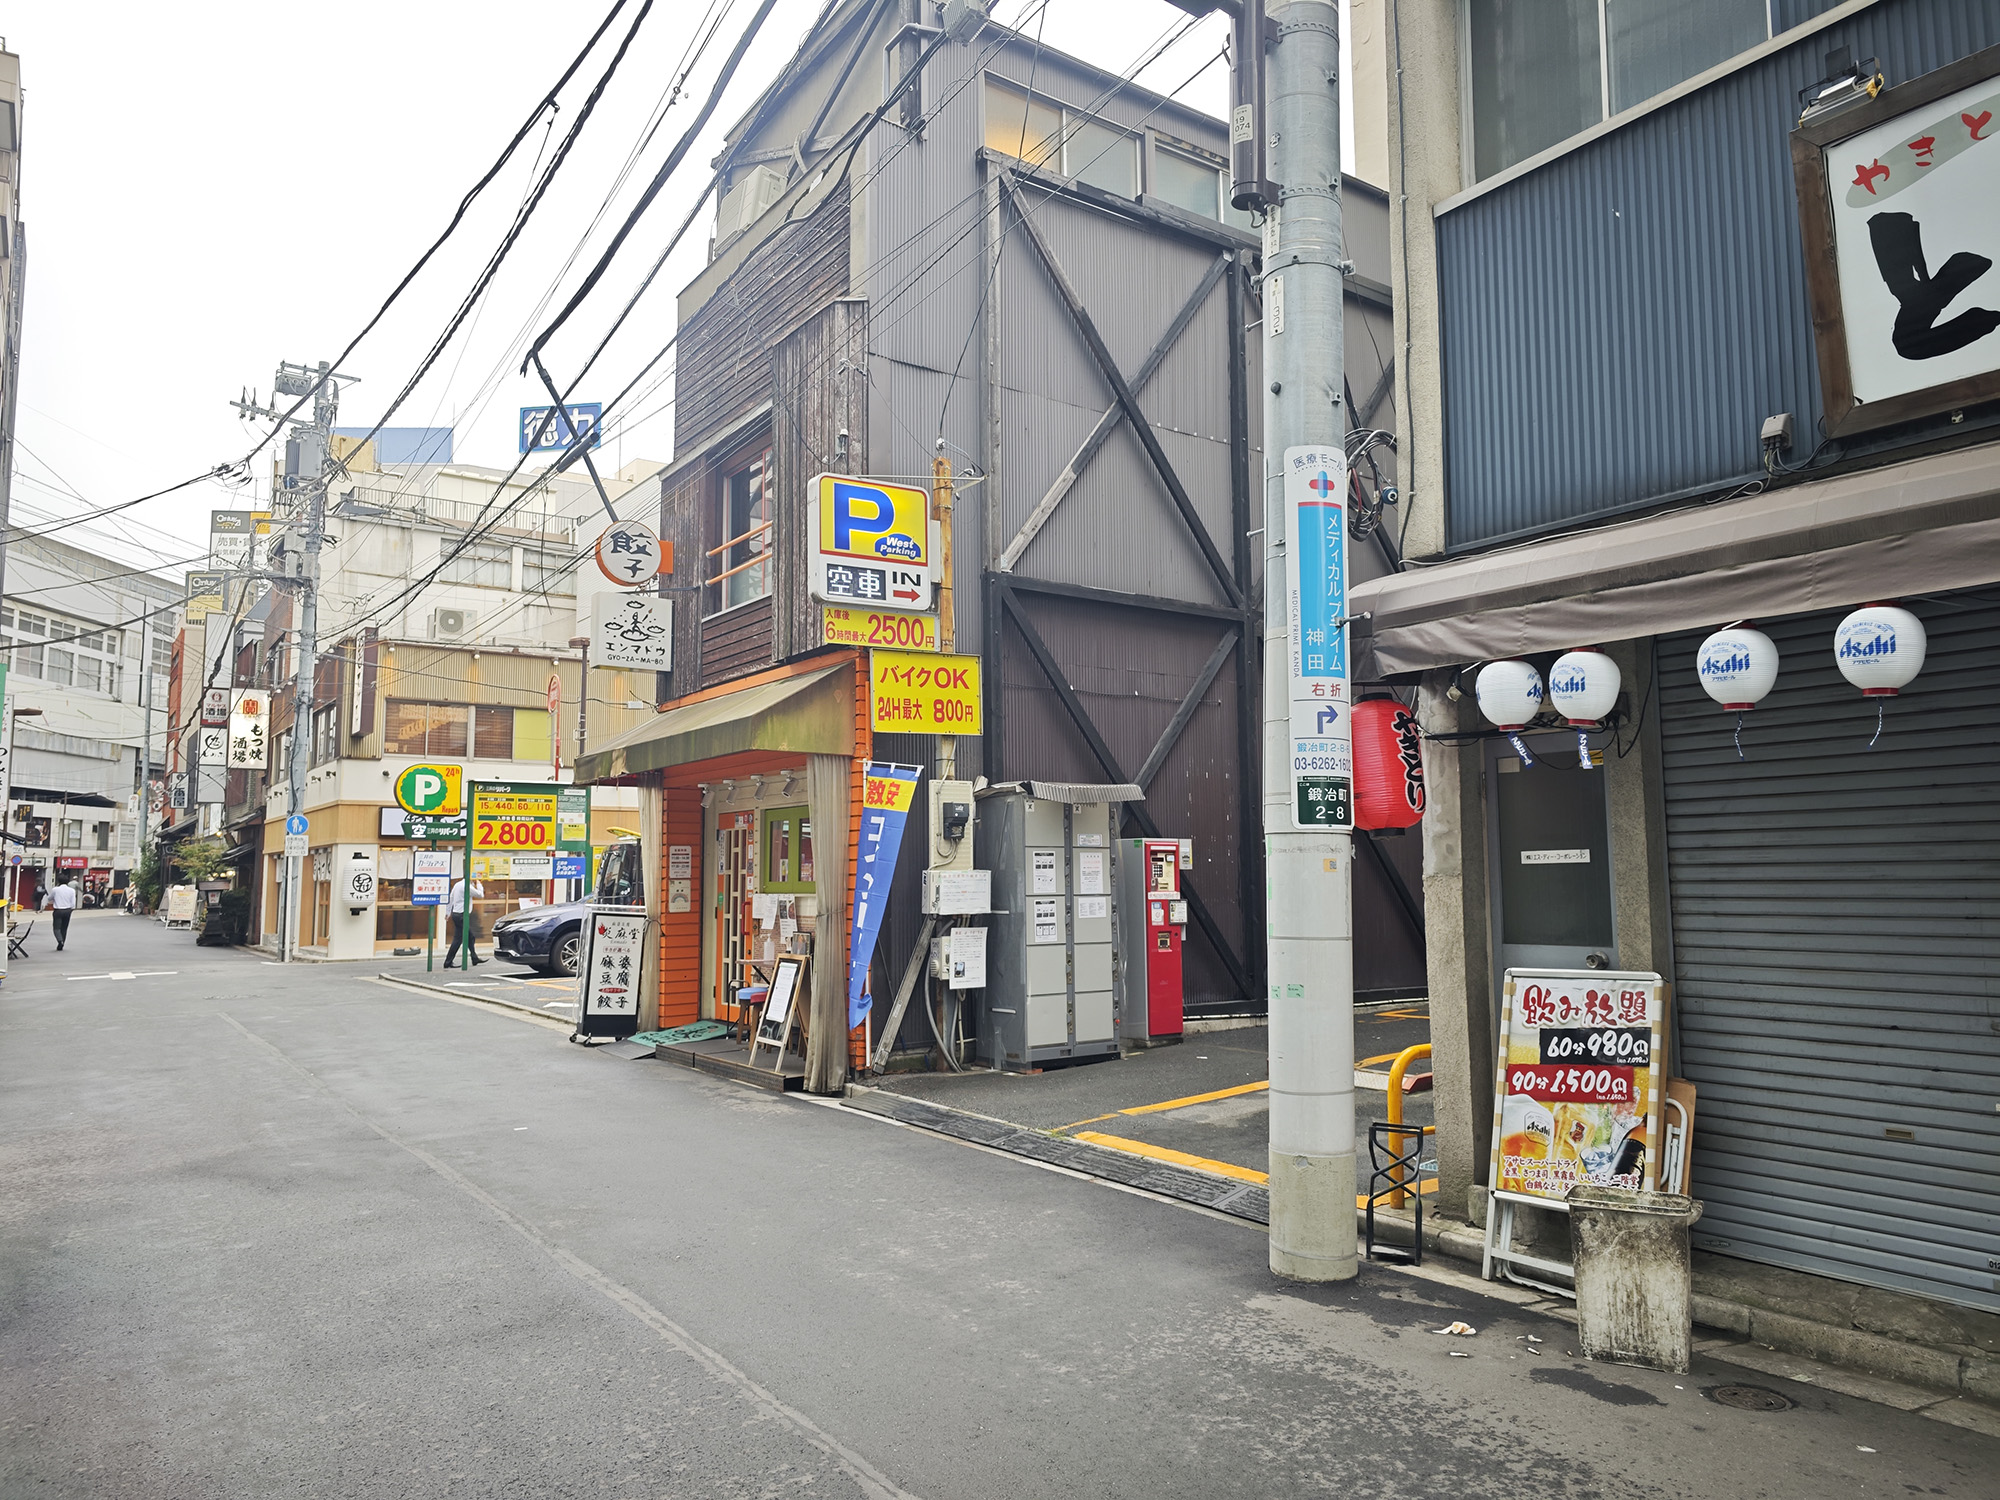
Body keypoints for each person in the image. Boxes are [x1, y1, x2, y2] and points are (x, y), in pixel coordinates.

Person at [444, 876, 486, 967]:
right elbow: (480, 895)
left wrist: (448, 912)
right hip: (462, 915)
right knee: (460, 939)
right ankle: (448, 962)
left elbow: (450, 898)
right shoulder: (467, 886)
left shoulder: (457, 884)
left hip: (456, 914)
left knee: (469, 937)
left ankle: (474, 958)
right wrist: (479, 884)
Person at [46, 875, 77, 951]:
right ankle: (63, 942)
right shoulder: (72, 890)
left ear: (58, 881)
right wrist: (71, 909)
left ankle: (60, 941)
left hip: (58, 910)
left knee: (56, 928)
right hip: (68, 910)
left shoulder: (55, 889)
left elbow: (49, 898)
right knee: (64, 928)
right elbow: (73, 903)